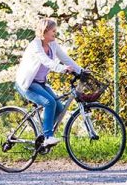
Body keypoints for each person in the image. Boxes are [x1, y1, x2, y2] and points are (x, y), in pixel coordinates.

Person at [15, 18, 82, 146]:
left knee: (60, 108)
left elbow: (65, 59)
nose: (55, 33)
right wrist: (63, 69)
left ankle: (42, 133)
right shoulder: (35, 45)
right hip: (27, 84)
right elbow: (47, 62)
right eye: (53, 31)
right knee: (49, 103)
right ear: (44, 31)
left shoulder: (53, 44)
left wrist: (81, 71)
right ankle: (47, 137)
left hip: (40, 83)